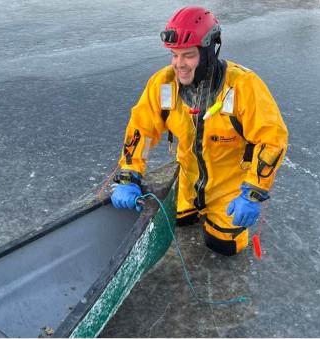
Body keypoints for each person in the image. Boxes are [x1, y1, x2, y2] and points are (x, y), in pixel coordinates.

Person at [110, 6, 288, 256]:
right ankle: (191, 207)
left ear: (208, 52)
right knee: (178, 220)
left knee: (225, 247)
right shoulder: (163, 84)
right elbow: (142, 131)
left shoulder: (242, 85)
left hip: (229, 189)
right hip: (187, 182)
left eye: (188, 55)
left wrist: (252, 193)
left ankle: (221, 218)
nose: (179, 64)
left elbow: (272, 139)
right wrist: (129, 176)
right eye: (174, 55)